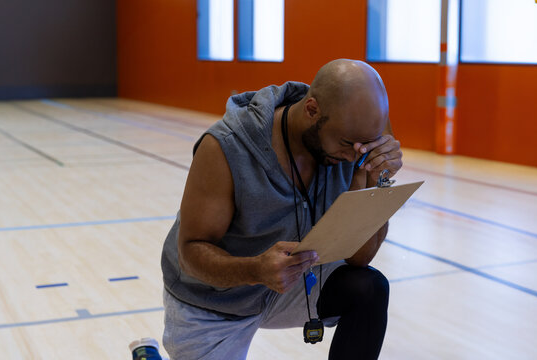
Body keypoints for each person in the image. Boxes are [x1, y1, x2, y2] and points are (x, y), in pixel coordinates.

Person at [160, 59, 403, 360]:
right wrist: (255, 269)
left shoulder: (355, 143)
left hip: (288, 286)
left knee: (368, 289)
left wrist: (375, 183)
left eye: (365, 146)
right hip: (213, 300)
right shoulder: (226, 146)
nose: (354, 154)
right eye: (346, 143)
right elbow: (191, 253)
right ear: (312, 110)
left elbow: (359, 257)